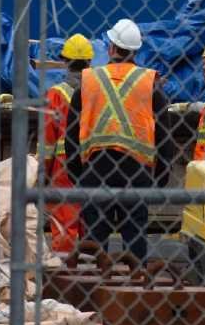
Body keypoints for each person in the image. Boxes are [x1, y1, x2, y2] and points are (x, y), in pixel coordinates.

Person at [63, 19, 172, 261]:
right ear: (135, 51)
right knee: (135, 239)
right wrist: (161, 176)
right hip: (136, 171)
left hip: (96, 169)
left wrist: (78, 173)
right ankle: (135, 288)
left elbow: (71, 132)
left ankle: (93, 290)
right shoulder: (149, 82)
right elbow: (164, 133)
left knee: (94, 242)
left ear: (111, 48)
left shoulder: (89, 80)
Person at [41, 33, 94, 252]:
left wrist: (42, 172)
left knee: (64, 221)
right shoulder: (97, 91)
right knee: (90, 219)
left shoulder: (56, 94)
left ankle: (65, 271)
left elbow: (47, 140)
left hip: (62, 167)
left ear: (64, 61)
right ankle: (91, 264)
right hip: (92, 161)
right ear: (90, 62)